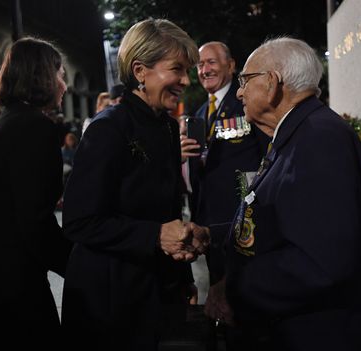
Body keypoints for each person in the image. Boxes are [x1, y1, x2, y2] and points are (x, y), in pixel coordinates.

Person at [205, 37, 361, 350]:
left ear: (271, 83)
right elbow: (280, 219)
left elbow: (319, 262)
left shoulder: (320, 138)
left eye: (245, 80)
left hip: (312, 334)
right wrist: (213, 234)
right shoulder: (299, 131)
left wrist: (236, 289)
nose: (239, 91)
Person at [61, 18, 208, 349]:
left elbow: (167, 209)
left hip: (155, 289)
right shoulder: (107, 129)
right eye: (177, 69)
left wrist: (181, 273)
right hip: (109, 298)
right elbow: (78, 221)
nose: (186, 80)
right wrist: (155, 236)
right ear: (140, 71)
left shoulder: (168, 128)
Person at [0, 37, 72, 347]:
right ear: (40, 75)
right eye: (60, 75)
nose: (64, 86)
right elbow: (35, 220)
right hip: (17, 285)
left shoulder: (10, 121)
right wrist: (77, 265)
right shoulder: (34, 128)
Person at [180, 41, 269, 333]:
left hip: (242, 220)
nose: (204, 70)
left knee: (247, 298)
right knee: (220, 298)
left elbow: (266, 157)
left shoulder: (247, 102)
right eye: (200, 65)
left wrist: (255, 205)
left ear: (231, 65)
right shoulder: (199, 112)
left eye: (211, 63)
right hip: (208, 221)